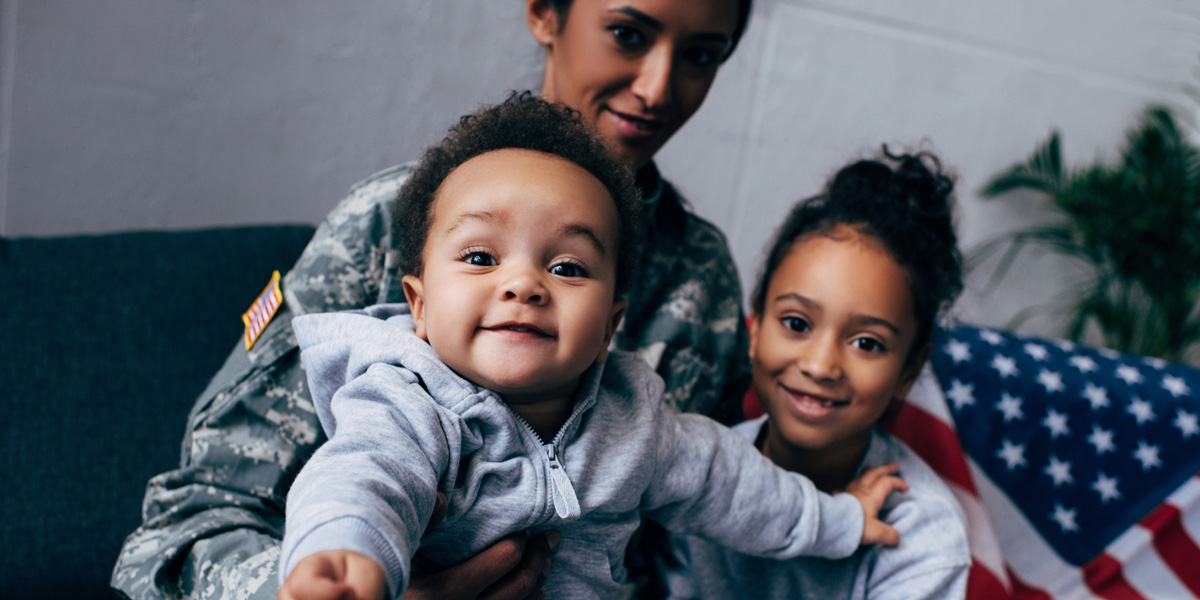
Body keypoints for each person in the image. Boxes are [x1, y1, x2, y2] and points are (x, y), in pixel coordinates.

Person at [112, 1, 755, 598]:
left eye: (701, 54)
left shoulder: (705, 278)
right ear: (544, 12)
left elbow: (705, 535)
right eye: (628, 34)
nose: (657, 88)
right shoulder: (386, 227)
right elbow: (186, 526)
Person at [277, 93, 908, 600]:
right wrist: (342, 556)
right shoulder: (407, 407)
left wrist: (841, 520)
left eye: (569, 267)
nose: (523, 283)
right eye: (479, 257)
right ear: (417, 305)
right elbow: (361, 477)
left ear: (611, 324)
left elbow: (737, 487)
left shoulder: (637, 424)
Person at [667, 150, 972, 599]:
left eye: (867, 343)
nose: (820, 365)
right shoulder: (701, 471)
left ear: (909, 370)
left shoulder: (921, 533)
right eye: (796, 323)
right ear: (755, 327)